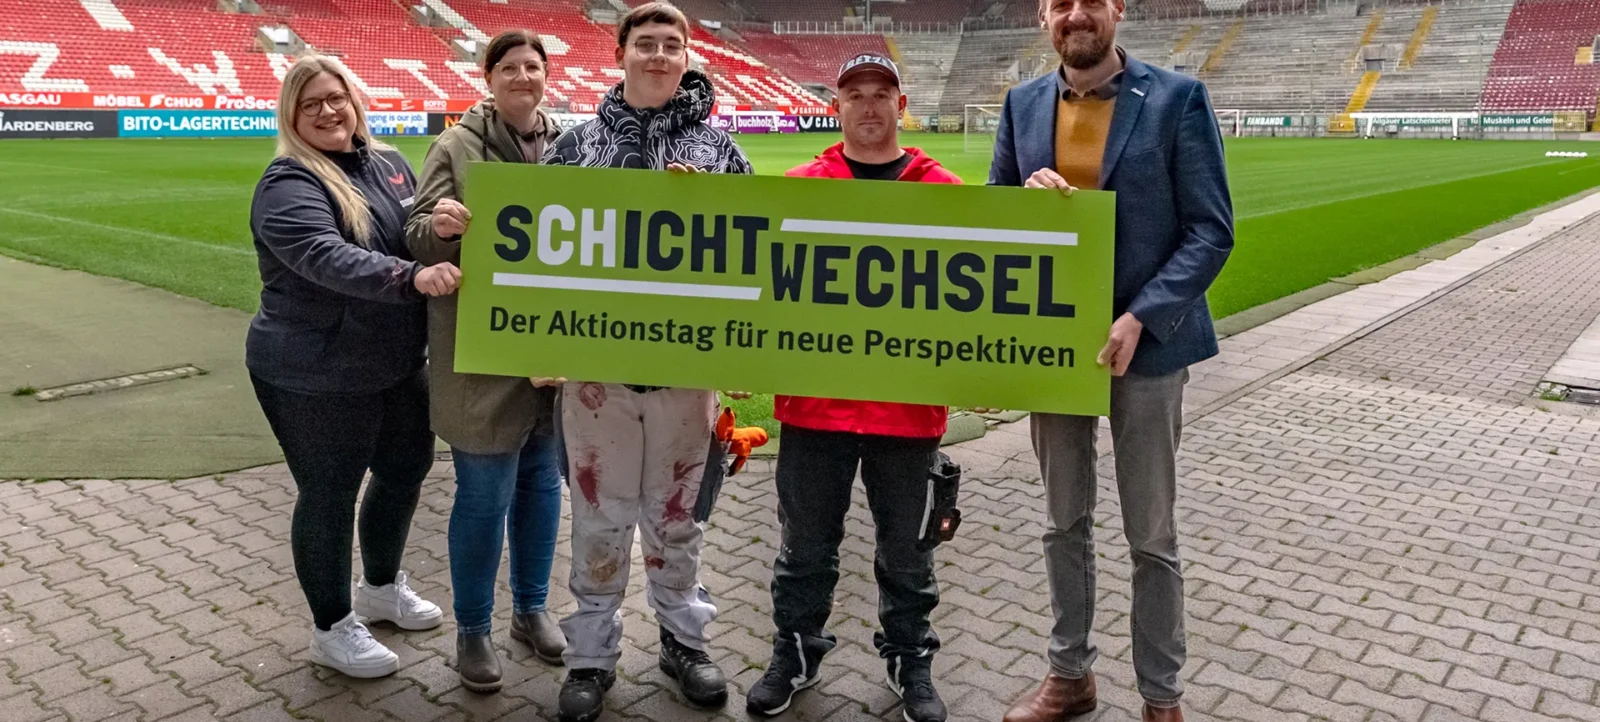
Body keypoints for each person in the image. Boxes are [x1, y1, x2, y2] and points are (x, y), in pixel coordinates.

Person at [988, 0, 1234, 720]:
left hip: (1148, 346)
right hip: (1056, 348)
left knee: (1150, 532)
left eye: (1090, 2)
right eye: (1061, 4)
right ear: (1044, 17)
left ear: (1115, 10)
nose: (1076, 16)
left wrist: (1139, 317)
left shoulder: (1179, 98)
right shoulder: (1023, 103)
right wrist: (1022, 200)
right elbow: (995, 215)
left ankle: (1162, 696)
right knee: (1063, 521)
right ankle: (1070, 676)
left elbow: (1210, 231)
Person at [539, 4, 753, 721]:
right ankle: (591, 657)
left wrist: (713, 204)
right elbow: (535, 247)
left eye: (672, 45)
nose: (660, 55)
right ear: (621, 52)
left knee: (676, 518)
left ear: (688, 54)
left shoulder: (723, 150)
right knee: (599, 515)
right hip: (597, 373)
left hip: (687, 373)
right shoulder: (574, 147)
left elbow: (755, 251)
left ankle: (683, 642)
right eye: (647, 44)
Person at [744, 54, 962, 722]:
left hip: (908, 409)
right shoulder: (801, 187)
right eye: (854, 95)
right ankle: (796, 650)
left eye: (881, 94)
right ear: (836, 106)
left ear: (901, 106)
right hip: (815, 407)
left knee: (909, 553)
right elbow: (759, 291)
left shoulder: (944, 190)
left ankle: (910, 659)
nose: (868, 106)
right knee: (805, 548)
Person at [247, 54, 459, 679]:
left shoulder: (388, 161)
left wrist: (439, 230)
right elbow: (325, 256)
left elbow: (413, 231)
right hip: (313, 368)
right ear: (292, 116)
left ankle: (381, 588)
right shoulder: (288, 181)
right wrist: (413, 275)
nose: (328, 111)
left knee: (404, 469)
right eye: (310, 104)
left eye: (335, 97)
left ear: (354, 98)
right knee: (330, 493)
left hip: (392, 359)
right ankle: (332, 627)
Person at [403, 30, 567, 693]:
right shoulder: (455, 145)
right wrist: (439, 228)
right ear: (489, 76)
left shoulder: (573, 145)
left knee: (542, 487)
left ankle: (530, 609)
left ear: (546, 76)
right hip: (480, 351)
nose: (523, 75)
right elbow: (414, 235)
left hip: (554, 347)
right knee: (483, 497)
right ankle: (473, 628)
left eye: (534, 66)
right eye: (511, 66)